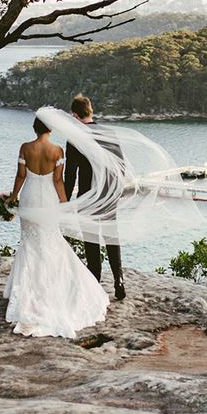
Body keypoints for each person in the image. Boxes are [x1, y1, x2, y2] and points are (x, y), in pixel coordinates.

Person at [2, 117, 109, 338]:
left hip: (30, 198)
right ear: (50, 128)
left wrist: (13, 197)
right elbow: (58, 181)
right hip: (49, 199)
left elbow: (21, 175)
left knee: (30, 243)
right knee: (50, 241)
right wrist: (64, 204)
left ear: (34, 128)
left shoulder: (25, 148)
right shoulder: (57, 151)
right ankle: (54, 290)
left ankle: (28, 294)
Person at [63, 94, 126, 300]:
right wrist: (114, 192)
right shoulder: (108, 133)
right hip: (108, 193)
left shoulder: (75, 138)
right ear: (90, 111)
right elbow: (120, 166)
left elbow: (70, 174)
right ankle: (119, 279)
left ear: (74, 115)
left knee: (91, 238)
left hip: (88, 194)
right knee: (111, 235)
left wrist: (64, 201)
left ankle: (95, 281)